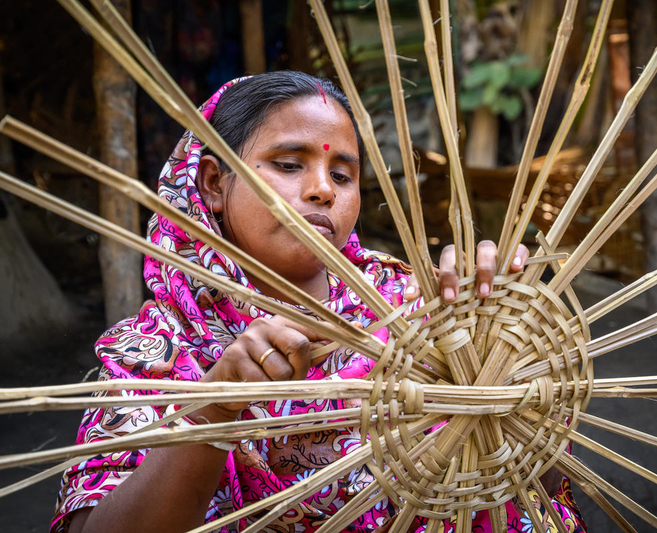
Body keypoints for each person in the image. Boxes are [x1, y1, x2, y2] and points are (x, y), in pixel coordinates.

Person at [52, 72, 587, 533]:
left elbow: (546, 486)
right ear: (214, 182)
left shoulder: (419, 312)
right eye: (288, 164)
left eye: (342, 174)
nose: (322, 190)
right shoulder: (157, 354)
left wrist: (503, 347)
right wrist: (215, 407)